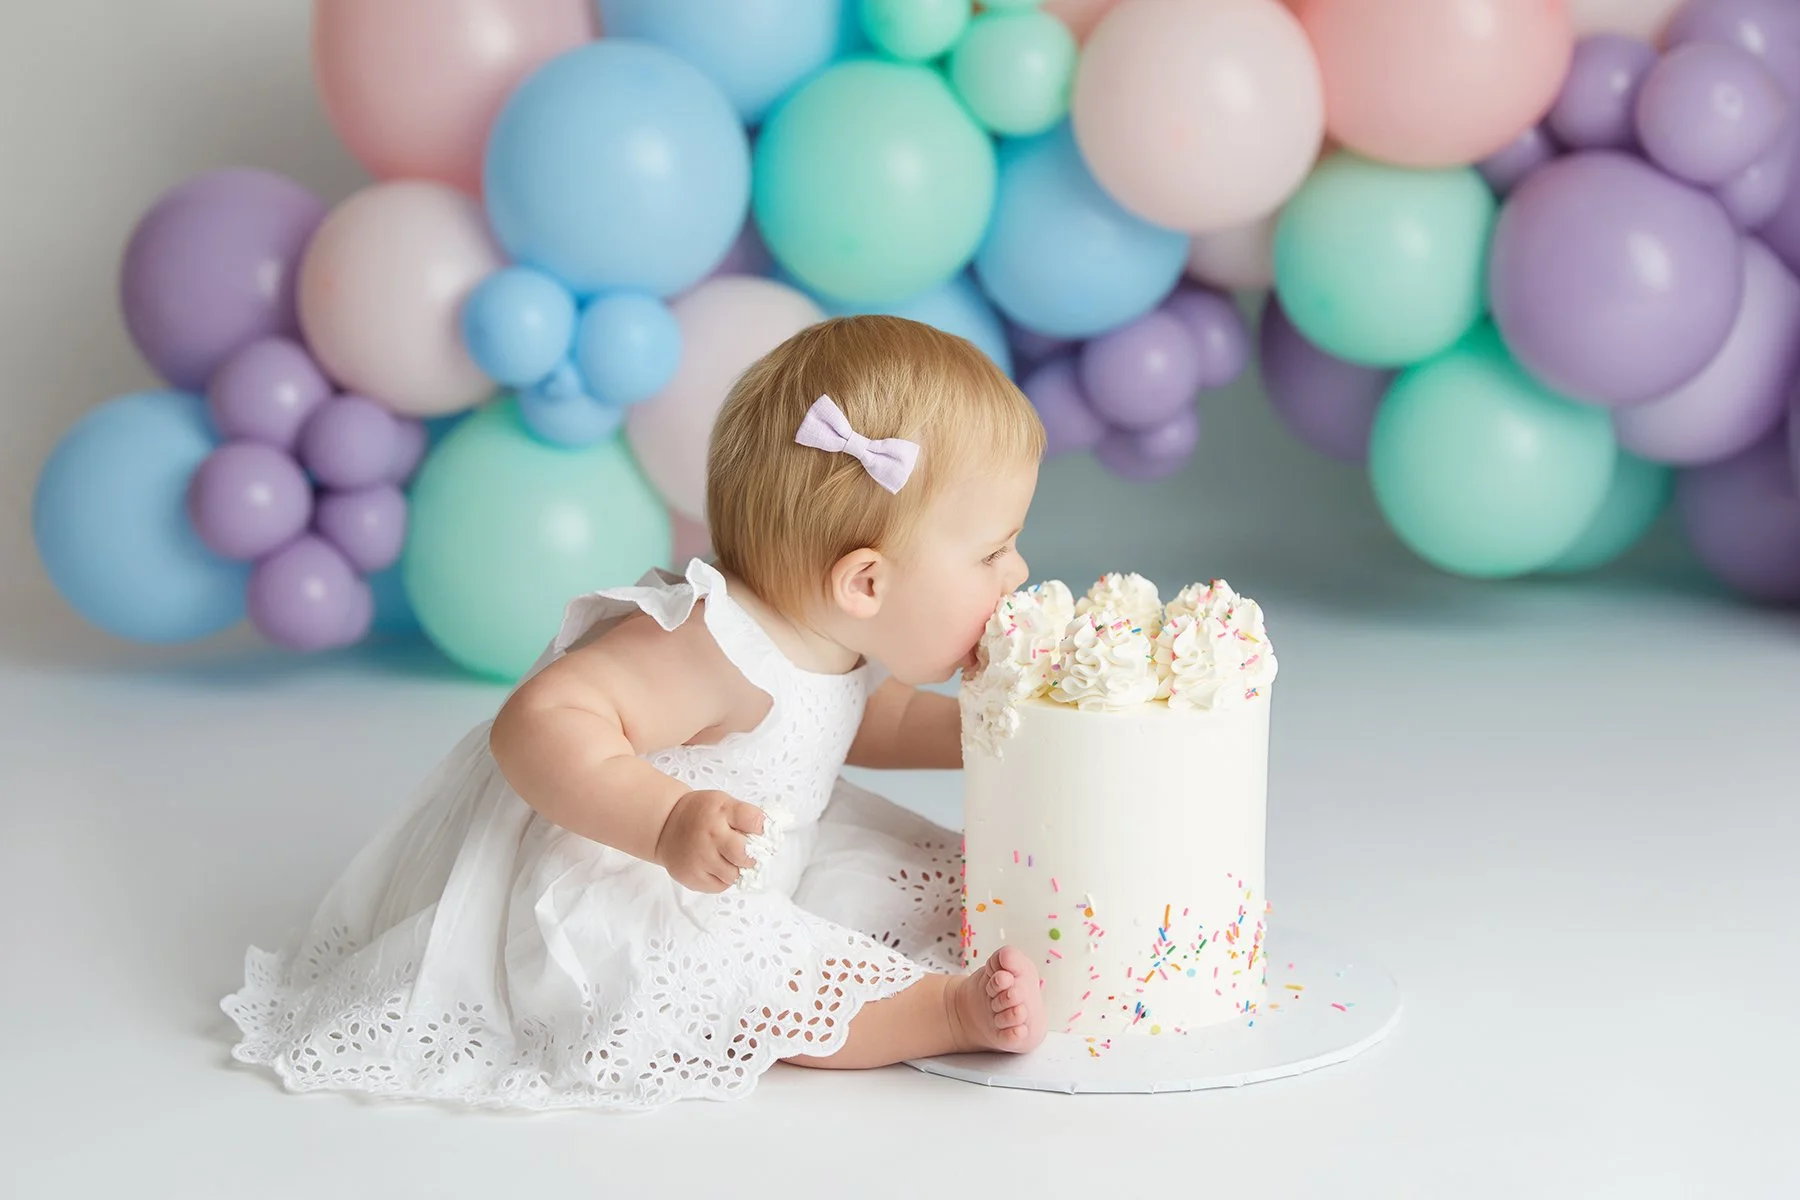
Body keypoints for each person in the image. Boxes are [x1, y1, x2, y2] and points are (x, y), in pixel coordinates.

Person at [221, 315, 1049, 1112]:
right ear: (864, 582)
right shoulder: (711, 647)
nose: (1015, 573)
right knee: (748, 984)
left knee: (929, 879)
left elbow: (874, 720)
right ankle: (941, 1014)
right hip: (646, 879)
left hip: (759, 846)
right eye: (992, 551)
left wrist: (1008, 738)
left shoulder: (834, 639)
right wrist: (665, 823)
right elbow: (540, 718)